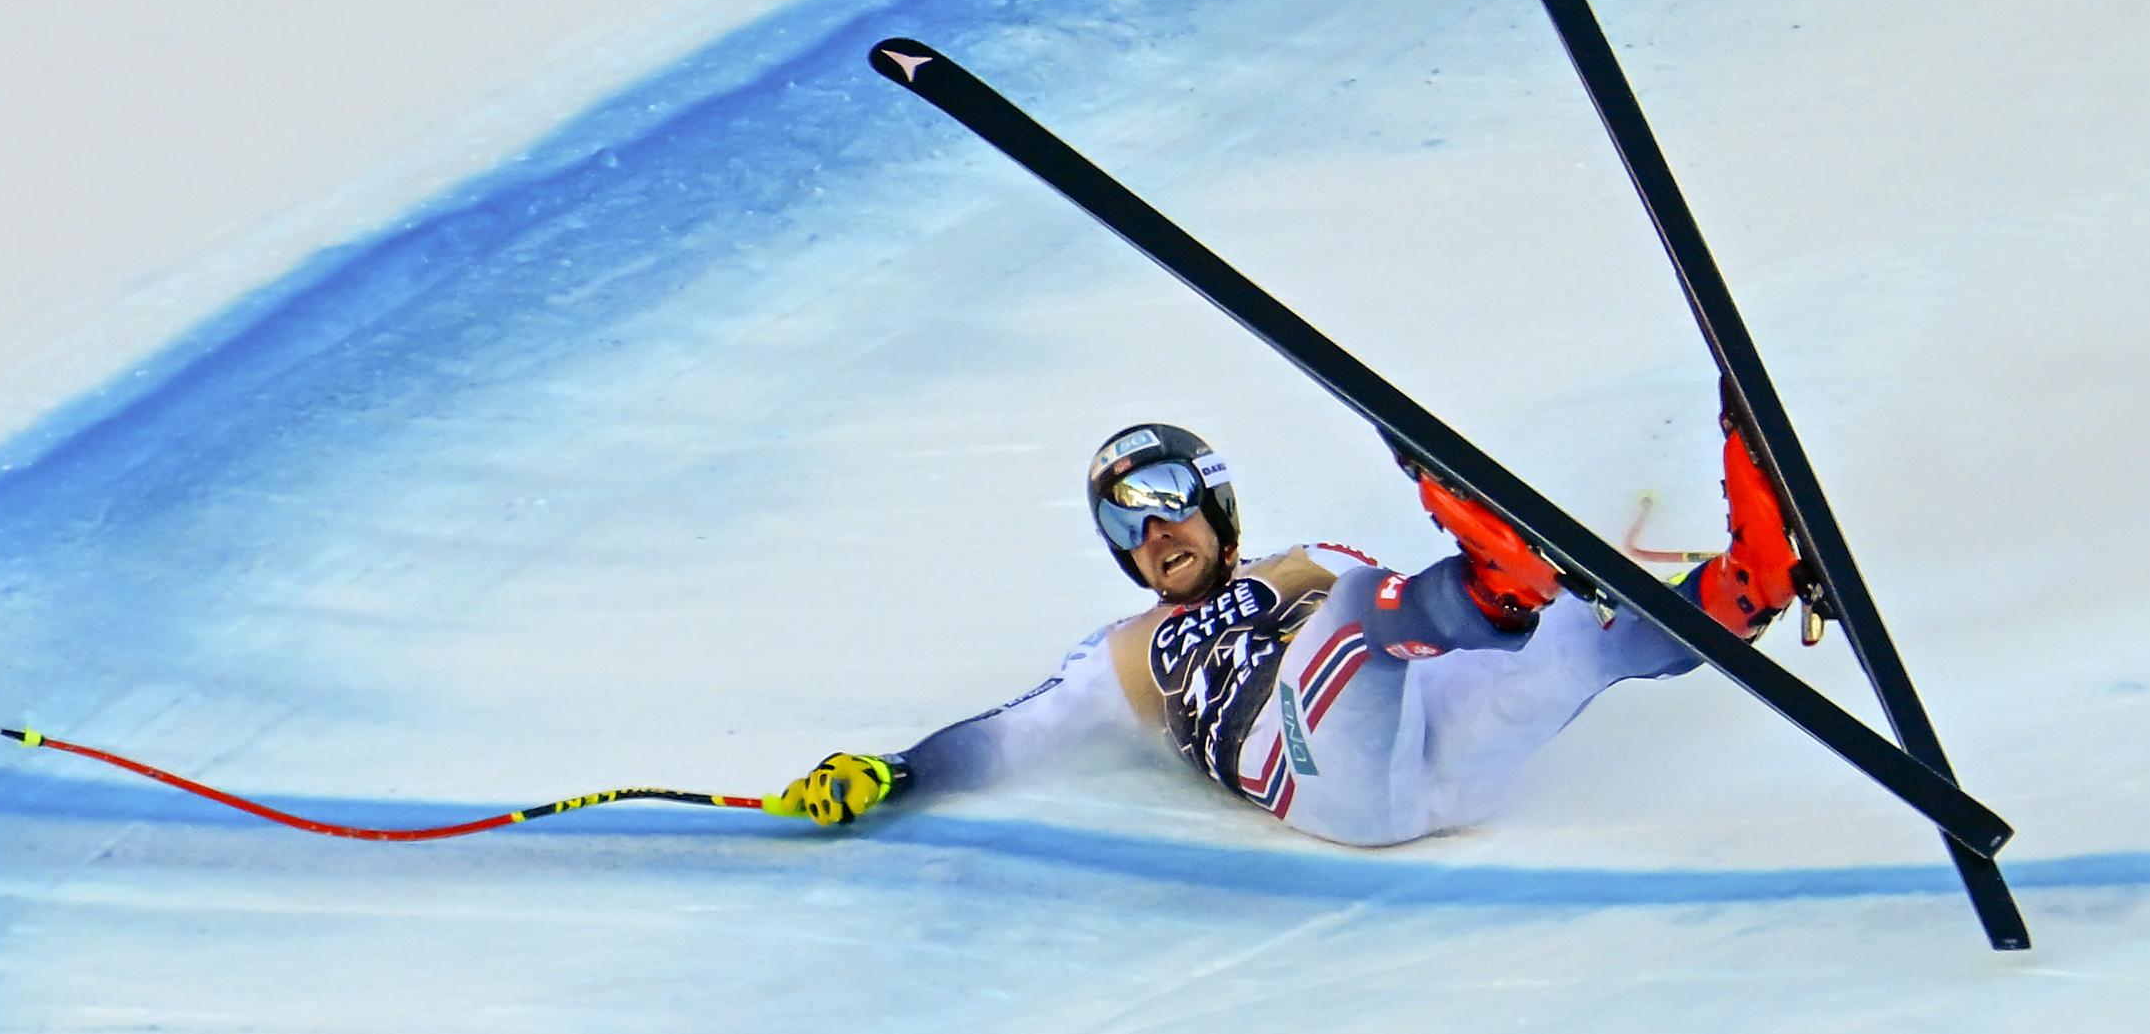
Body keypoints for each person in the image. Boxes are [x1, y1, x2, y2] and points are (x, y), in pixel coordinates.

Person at [765, 413, 1802, 846]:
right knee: (1365, 616)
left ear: (1214, 503)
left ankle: (1748, 581)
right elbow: (1002, 738)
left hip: (1445, 764)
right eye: (1124, 521)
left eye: (1165, 498)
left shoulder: (1313, 559)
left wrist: (1574, 602)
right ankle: (1501, 574)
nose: (1152, 531)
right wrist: (896, 771)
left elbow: (1452, 651)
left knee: (1577, 640)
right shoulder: (1118, 660)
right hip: (1323, 777)